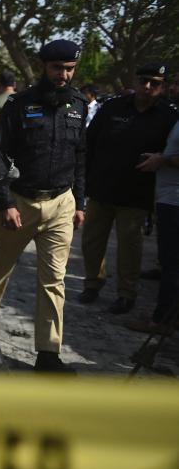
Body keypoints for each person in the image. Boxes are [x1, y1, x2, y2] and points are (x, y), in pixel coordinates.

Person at [0, 39, 88, 373]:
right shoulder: (20, 104)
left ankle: (48, 355)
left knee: (54, 280)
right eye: (57, 68)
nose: (63, 75)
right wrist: (5, 202)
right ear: (44, 67)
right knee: (0, 266)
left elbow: (81, 157)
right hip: (20, 203)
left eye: (69, 69)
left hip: (61, 204)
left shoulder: (79, 105)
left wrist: (80, 202)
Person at [78, 64, 178, 314]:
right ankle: (92, 283)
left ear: (162, 87)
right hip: (102, 187)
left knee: (129, 247)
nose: (147, 87)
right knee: (91, 241)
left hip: (137, 193)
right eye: (144, 81)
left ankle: (126, 293)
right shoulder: (112, 107)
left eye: (154, 83)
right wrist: (82, 182)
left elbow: (171, 154)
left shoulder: (168, 116)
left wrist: (161, 158)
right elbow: (88, 144)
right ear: (135, 81)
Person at [129, 119, 179, 333]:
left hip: (175, 202)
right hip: (168, 198)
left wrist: (163, 160)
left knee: (172, 264)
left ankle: (162, 321)